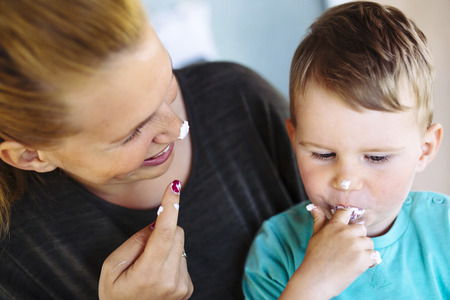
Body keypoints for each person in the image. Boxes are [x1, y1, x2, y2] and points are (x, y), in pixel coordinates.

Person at [0, 1, 307, 299]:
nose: (177, 127)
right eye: (132, 133)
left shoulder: (239, 97)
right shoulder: (16, 254)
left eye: (167, 82)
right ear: (31, 155)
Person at [243, 2, 449, 299]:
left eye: (377, 157)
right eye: (324, 154)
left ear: (425, 150)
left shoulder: (444, 231)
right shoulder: (276, 252)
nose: (346, 180)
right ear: (294, 139)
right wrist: (311, 286)